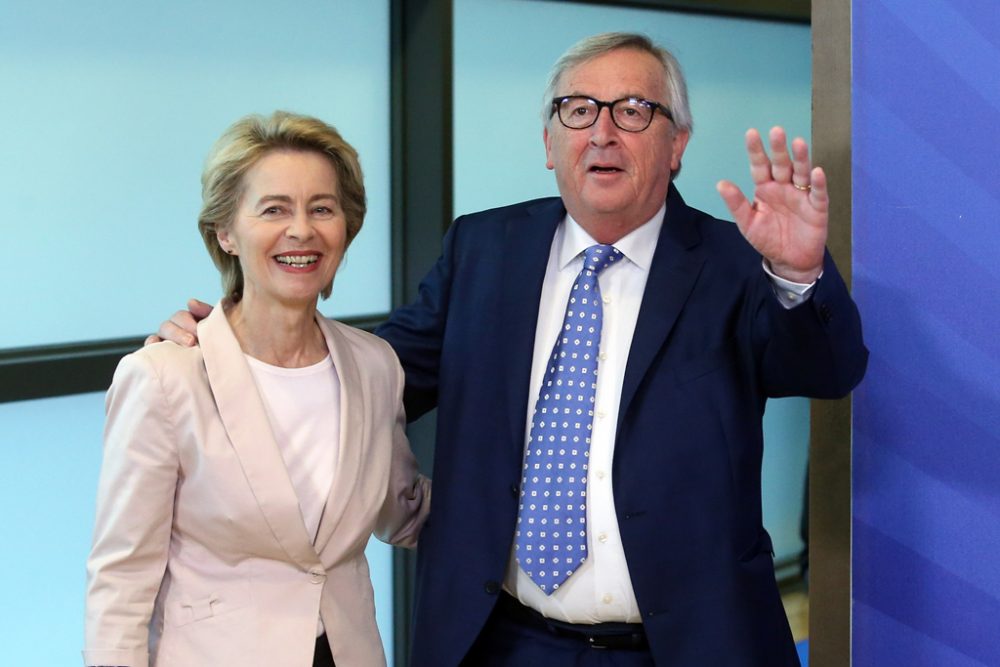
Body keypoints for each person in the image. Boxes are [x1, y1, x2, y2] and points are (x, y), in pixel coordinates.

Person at [156, 33, 867, 666]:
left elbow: (827, 370)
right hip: (502, 638)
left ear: (676, 142)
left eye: (633, 111)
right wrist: (232, 351)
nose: (603, 132)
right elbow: (371, 378)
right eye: (578, 110)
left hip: (687, 642)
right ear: (550, 139)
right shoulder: (484, 249)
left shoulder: (734, 262)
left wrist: (799, 274)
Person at [84, 111, 430, 667]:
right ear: (225, 232)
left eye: (323, 208)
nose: (302, 230)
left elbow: (401, 514)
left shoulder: (375, 364)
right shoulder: (164, 376)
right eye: (274, 209)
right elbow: (121, 580)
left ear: (346, 227)